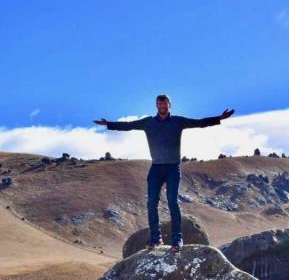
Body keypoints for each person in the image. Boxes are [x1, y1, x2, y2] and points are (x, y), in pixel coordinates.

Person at [94, 94, 234, 253]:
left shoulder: (178, 121)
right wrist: (109, 124)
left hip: (173, 168)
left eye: (165, 104)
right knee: (151, 203)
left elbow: (199, 123)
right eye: (160, 104)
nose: (163, 107)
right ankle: (155, 239)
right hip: (156, 168)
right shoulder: (148, 123)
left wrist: (219, 118)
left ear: (169, 105)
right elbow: (128, 125)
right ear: (156, 106)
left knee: (172, 202)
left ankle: (177, 239)